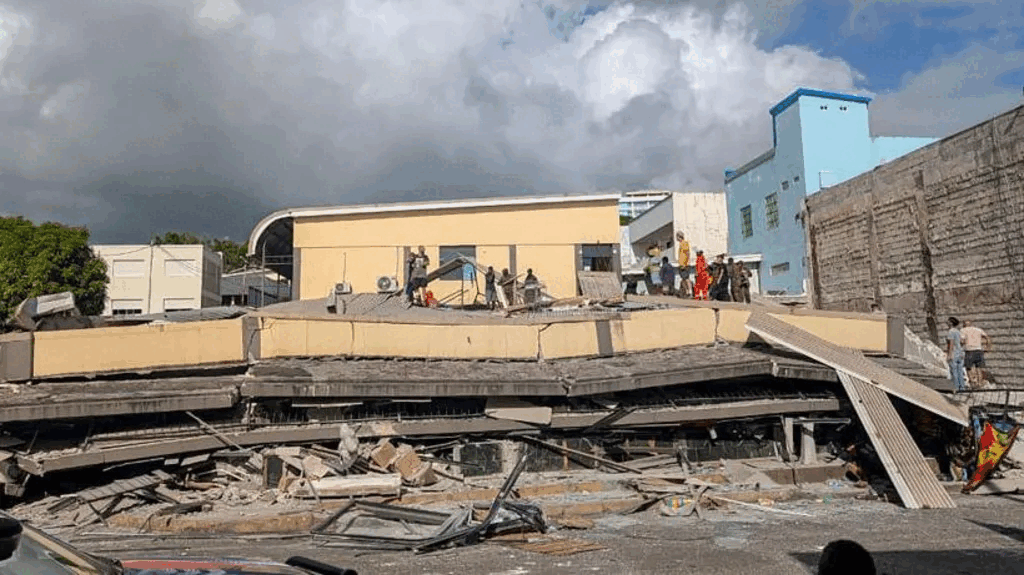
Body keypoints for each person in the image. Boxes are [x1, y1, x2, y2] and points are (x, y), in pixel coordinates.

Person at [961, 320, 992, 388]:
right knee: (979, 368)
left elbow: (962, 340)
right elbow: (987, 337)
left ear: (964, 325)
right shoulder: (978, 329)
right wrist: (988, 347)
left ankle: (973, 383)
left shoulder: (963, 330)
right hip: (979, 350)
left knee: (968, 367)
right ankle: (979, 383)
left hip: (969, 350)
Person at [945, 317, 967, 393]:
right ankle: (962, 388)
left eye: (947, 321)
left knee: (954, 371)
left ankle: (956, 388)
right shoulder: (958, 332)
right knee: (960, 371)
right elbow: (962, 342)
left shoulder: (951, 331)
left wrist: (949, 354)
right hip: (960, 353)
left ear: (951, 323)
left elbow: (951, 344)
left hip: (954, 353)